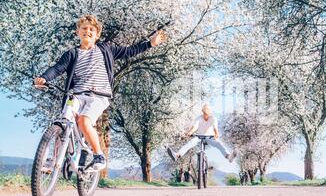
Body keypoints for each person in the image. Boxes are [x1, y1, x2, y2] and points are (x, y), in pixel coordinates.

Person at [34, 14, 167, 170]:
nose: (87, 31)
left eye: (91, 29)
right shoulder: (72, 54)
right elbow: (57, 68)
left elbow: (129, 51)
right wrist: (44, 77)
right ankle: (53, 159)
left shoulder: (106, 49)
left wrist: (150, 43)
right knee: (63, 119)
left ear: (97, 35)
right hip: (76, 95)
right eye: (84, 28)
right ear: (78, 32)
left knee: (84, 121)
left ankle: (98, 154)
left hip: (98, 96)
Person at [167, 104, 237, 163]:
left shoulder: (213, 118)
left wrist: (216, 134)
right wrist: (190, 132)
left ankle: (229, 156)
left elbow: (215, 128)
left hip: (209, 137)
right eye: (204, 113)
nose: (205, 115)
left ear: (210, 112)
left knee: (218, 144)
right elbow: (195, 127)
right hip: (199, 137)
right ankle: (177, 155)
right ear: (202, 112)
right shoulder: (199, 118)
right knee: (190, 143)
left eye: (207, 113)